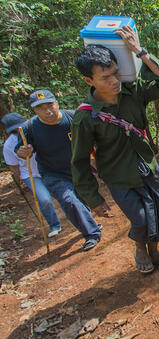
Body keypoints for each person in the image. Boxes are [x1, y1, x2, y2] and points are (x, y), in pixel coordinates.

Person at [71, 25, 159, 274]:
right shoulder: (85, 117)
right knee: (140, 217)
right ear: (89, 80)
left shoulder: (133, 93)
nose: (115, 80)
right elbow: (79, 160)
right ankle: (141, 248)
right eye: (106, 77)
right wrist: (93, 198)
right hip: (119, 175)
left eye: (116, 73)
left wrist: (139, 51)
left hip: (146, 165)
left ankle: (154, 251)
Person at [16, 91, 102, 250]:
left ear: (57, 103)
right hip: (52, 172)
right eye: (41, 108)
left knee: (81, 199)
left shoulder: (72, 117)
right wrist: (23, 152)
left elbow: (94, 137)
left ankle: (87, 218)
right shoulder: (28, 128)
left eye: (50, 105)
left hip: (79, 168)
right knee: (69, 200)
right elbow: (20, 150)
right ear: (35, 110)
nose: (48, 111)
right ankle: (91, 233)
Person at [2, 112, 63, 237]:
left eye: (19, 127)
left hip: (49, 168)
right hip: (31, 175)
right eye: (14, 130)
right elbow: (14, 167)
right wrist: (19, 181)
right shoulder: (8, 145)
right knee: (44, 199)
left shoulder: (37, 131)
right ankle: (54, 225)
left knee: (64, 194)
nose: (17, 131)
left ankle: (79, 216)